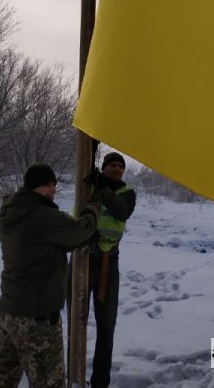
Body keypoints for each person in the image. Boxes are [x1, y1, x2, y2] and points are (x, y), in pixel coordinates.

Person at [0, 162, 100, 388]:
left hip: (8, 312)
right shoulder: (40, 214)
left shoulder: (11, 211)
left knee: (2, 379)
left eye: (54, 184)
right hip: (35, 318)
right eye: (48, 185)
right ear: (34, 187)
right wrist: (94, 204)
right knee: (49, 383)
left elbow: (40, 246)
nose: (53, 189)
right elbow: (80, 229)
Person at [68, 151, 136, 388]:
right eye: (112, 165)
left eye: (120, 166)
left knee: (106, 327)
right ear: (104, 167)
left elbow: (121, 210)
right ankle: (72, 377)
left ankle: (100, 382)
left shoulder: (127, 193)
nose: (117, 169)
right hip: (82, 259)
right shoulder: (88, 187)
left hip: (108, 264)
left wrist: (102, 189)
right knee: (76, 321)